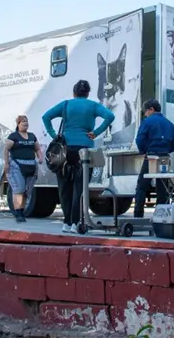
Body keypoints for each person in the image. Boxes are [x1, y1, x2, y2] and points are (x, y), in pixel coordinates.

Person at [42, 79, 115, 233]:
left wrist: (54, 135)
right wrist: (95, 133)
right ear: (87, 93)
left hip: (65, 149)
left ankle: (66, 223)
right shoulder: (93, 105)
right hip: (85, 150)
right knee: (80, 188)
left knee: (64, 187)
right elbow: (109, 116)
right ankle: (76, 223)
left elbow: (46, 117)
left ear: (74, 93)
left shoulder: (66, 104)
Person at [133, 99, 174, 217]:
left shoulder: (147, 122)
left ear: (151, 109)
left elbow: (139, 140)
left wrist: (144, 151)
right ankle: (162, 215)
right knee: (163, 186)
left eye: (145, 112)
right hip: (165, 157)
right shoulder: (169, 123)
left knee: (142, 185)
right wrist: (165, 151)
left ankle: (138, 214)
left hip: (152, 157)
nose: (145, 114)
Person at [3, 115, 44, 222]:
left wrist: (40, 157)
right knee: (19, 189)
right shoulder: (14, 136)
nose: (25, 123)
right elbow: (6, 150)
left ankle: (22, 209)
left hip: (31, 165)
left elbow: (37, 148)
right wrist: (6, 163)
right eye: (23, 121)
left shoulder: (32, 136)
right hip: (16, 165)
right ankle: (18, 212)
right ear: (18, 124)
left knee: (27, 191)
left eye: (26, 121)